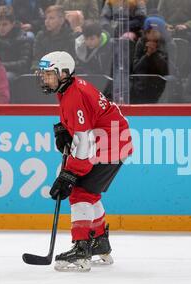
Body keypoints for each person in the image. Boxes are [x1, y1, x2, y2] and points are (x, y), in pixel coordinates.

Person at [37, 51, 133, 272]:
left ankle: (82, 250)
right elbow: (83, 124)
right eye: (43, 74)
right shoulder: (68, 89)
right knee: (89, 192)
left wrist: (69, 174)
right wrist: (64, 129)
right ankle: (98, 243)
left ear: (63, 73)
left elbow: (84, 142)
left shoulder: (73, 94)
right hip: (112, 140)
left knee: (80, 192)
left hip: (109, 143)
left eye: (49, 74)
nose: (45, 78)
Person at [0, 6, 32, 82]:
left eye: (5, 24)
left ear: (12, 24)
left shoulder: (22, 39)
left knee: (3, 77)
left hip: (15, 74)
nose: (1, 28)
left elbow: (24, 64)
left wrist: (1, 65)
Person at [31, 5, 75, 71]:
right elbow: (38, 59)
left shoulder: (70, 36)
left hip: (64, 71)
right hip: (43, 70)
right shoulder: (40, 35)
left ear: (61, 20)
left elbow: (68, 59)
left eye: (51, 18)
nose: (47, 21)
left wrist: (53, 66)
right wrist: (49, 67)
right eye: (46, 18)